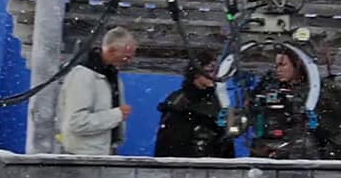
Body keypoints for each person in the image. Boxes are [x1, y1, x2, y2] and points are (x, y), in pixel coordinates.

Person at [59, 27, 136, 155]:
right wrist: (116, 115)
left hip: (100, 153)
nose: (129, 61)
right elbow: (77, 122)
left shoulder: (111, 76)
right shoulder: (83, 76)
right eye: (126, 57)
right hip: (82, 155)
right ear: (111, 50)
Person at [153, 52, 235, 159]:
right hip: (185, 159)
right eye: (210, 71)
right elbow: (170, 140)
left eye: (217, 73)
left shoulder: (218, 100)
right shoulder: (179, 100)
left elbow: (224, 136)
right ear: (197, 73)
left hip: (212, 160)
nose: (214, 76)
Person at [248, 48, 318, 159]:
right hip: (266, 146)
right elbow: (252, 109)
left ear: (297, 65)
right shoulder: (267, 86)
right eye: (277, 66)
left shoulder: (312, 91)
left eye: (283, 65)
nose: (278, 70)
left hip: (299, 150)